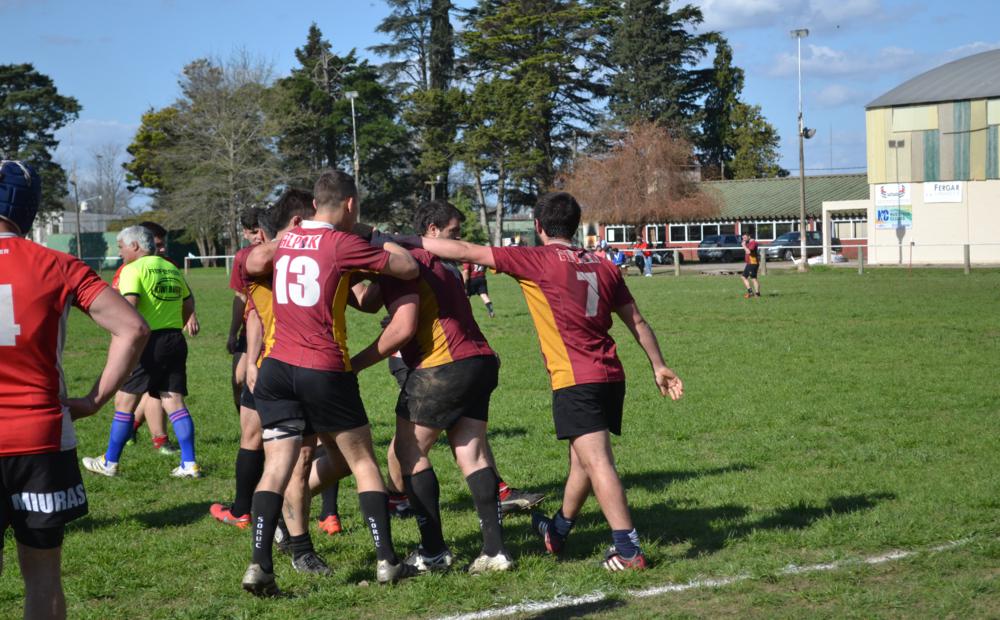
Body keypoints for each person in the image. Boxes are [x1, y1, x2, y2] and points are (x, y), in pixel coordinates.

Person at [419, 191, 684, 571]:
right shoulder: (603, 263)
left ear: (538, 226)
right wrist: (658, 365)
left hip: (576, 378)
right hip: (611, 375)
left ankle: (628, 551)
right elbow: (637, 321)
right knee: (581, 461)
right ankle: (557, 530)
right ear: (575, 225)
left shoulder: (536, 259)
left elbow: (464, 250)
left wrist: (392, 240)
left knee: (598, 462)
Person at [240, 170, 420, 596]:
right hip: (322, 367)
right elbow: (408, 267)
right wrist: (373, 236)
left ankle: (259, 565)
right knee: (363, 462)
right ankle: (387, 561)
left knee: (277, 467)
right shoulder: (342, 242)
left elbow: (251, 263)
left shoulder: (286, 240)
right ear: (350, 204)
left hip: (276, 368)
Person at [0, 160, 149, 620]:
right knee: (43, 577)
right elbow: (133, 329)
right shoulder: (57, 263)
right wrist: (94, 400)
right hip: (40, 439)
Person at [360, 200, 513, 574]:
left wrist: (352, 365)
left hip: (443, 366)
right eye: (454, 232)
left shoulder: (404, 263)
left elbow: (402, 329)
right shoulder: (442, 264)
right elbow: (368, 301)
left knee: (408, 452)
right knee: (472, 453)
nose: (457, 239)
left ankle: (433, 551)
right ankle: (494, 552)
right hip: (480, 361)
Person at [82, 225, 201, 479]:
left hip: (147, 342)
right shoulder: (170, 268)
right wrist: (176, 325)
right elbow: (189, 302)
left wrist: (123, 337)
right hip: (174, 340)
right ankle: (189, 463)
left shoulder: (132, 269)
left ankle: (109, 462)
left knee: (124, 402)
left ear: (135, 246)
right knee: (174, 401)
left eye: (121, 247)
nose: (120, 252)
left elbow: (129, 308)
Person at [226, 208, 266, 413]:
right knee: (239, 379)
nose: (258, 237)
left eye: (260, 231)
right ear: (244, 232)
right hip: (248, 329)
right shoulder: (242, 257)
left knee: (264, 382)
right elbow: (240, 297)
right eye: (253, 232)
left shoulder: (277, 253)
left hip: (273, 329)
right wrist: (232, 333)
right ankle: (244, 421)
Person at [740, 231, 761, 298]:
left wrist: (743, 246)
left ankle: (757, 294)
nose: (744, 240)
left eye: (745, 238)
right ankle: (750, 292)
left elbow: (749, 252)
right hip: (749, 263)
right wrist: (745, 244)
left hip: (753, 263)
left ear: (749, 237)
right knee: (743, 277)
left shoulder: (753, 243)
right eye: (743, 238)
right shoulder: (748, 242)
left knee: (753, 278)